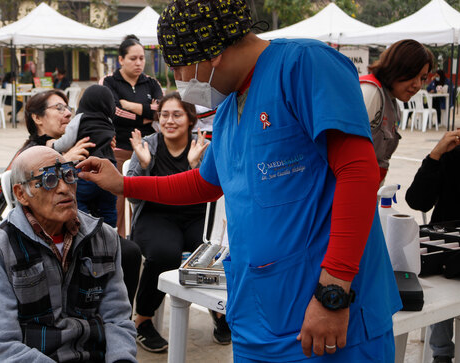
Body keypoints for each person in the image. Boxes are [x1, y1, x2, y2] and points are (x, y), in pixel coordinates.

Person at [78, 0, 402, 361]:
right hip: (257, 313)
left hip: (324, 314)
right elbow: (205, 183)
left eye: (179, 67)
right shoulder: (230, 109)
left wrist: (334, 292)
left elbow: (358, 173)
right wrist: (124, 184)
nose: (180, 81)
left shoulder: (304, 65)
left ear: (211, 53)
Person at [0, 146, 138, 362]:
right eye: (49, 180)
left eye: (68, 175)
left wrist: (121, 359)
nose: (64, 188)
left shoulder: (102, 237)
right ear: (21, 194)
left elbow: (117, 318)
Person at [127, 92, 230, 351]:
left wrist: (195, 167)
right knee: (165, 254)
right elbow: (130, 194)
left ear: (190, 120)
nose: (169, 121)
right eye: (164, 115)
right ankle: (143, 320)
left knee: (218, 254)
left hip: (195, 217)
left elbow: (214, 190)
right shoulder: (147, 144)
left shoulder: (202, 147)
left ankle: (219, 313)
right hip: (155, 217)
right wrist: (144, 165)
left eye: (177, 115)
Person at [20, 89, 142, 309]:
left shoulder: (84, 139)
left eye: (68, 108)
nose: (67, 114)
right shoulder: (30, 153)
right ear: (37, 118)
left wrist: (103, 150)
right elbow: (25, 194)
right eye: (58, 108)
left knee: (130, 252)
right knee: (123, 253)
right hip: (53, 235)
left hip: (88, 226)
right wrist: (64, 161)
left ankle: (119, 317)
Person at [405, 129, 460, 363]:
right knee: (439, 292)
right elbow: (417, 201)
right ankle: (442, 355)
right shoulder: (452, 152)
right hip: (444, 247)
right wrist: (435, 155)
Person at [103, 34, 163, 238]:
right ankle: (121, 242)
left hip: (149, 150)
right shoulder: (110, 82)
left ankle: (146, 239)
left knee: (150, 199)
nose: (139, 63)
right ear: (121, 59)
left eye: (142, 58)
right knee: (120, 204)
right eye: (133, 58)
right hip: (120, 149)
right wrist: (145, 114)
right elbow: (115, 112)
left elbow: (159, 111)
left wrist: (130, 106)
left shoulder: (151, 82)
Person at [360, 39, 433, 183]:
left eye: (423, 78)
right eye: (412, 75)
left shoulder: (392, 103)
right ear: (395, 68)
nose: (417, 85)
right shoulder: (371, 92)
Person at [52, 85, 118, 228]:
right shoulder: (109, 121)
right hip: (110, 168)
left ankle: (84, 228)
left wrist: (54, 147)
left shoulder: (80, 118)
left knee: (78, 200)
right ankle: (110, 231)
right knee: (108, 206)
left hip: (86, 168)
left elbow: (67, 140)